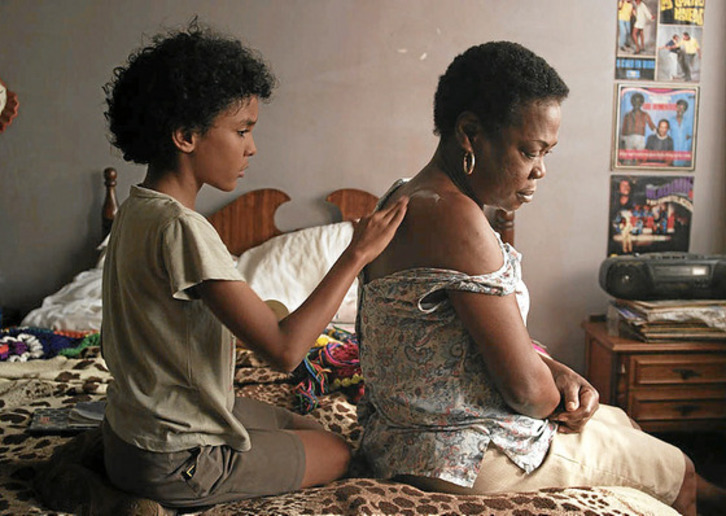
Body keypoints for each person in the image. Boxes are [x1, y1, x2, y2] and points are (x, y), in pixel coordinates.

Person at [355, 41, 726, 516]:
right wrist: (553, 392)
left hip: (398, 441)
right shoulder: (456, 217)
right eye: (530, 151)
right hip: (463, 456)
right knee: (682, 471)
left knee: (621, 423)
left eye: (547, 153)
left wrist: (556, 370)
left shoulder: (406, 193)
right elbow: (526, 394)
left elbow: (461, 343)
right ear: (470, 133)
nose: (541, 171)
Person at [100, 21, 407, 511]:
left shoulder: (138, 210)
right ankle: (137, 500)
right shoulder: (183, 228)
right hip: (174, 458)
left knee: (302, 426)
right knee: (337, 451)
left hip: (129, 435)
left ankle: (106, 474)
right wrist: (356, 254)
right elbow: (285, 351)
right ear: (185, 136)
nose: (252, 147)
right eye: (242, 130)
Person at [620, 92, 655, 165]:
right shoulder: (627, 115)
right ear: (632, 102)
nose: (636, 104)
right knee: (628, 158)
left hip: (640, 138)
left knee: (639, 158)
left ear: (642, 103)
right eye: (634, 101)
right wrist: (623, 137)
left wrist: (657, 131)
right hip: (629, 138)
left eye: (638, 102)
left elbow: (651, 125)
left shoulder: (645, 115)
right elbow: (624, 127)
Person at [670, 99, 693, 167]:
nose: (680, 110)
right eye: (679, 107)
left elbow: (690, 135)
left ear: (685, 110)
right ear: (676, 108)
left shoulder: (688, 121)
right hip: (673, 150)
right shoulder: (671, 120)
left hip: (684, 151)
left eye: (683, 108)